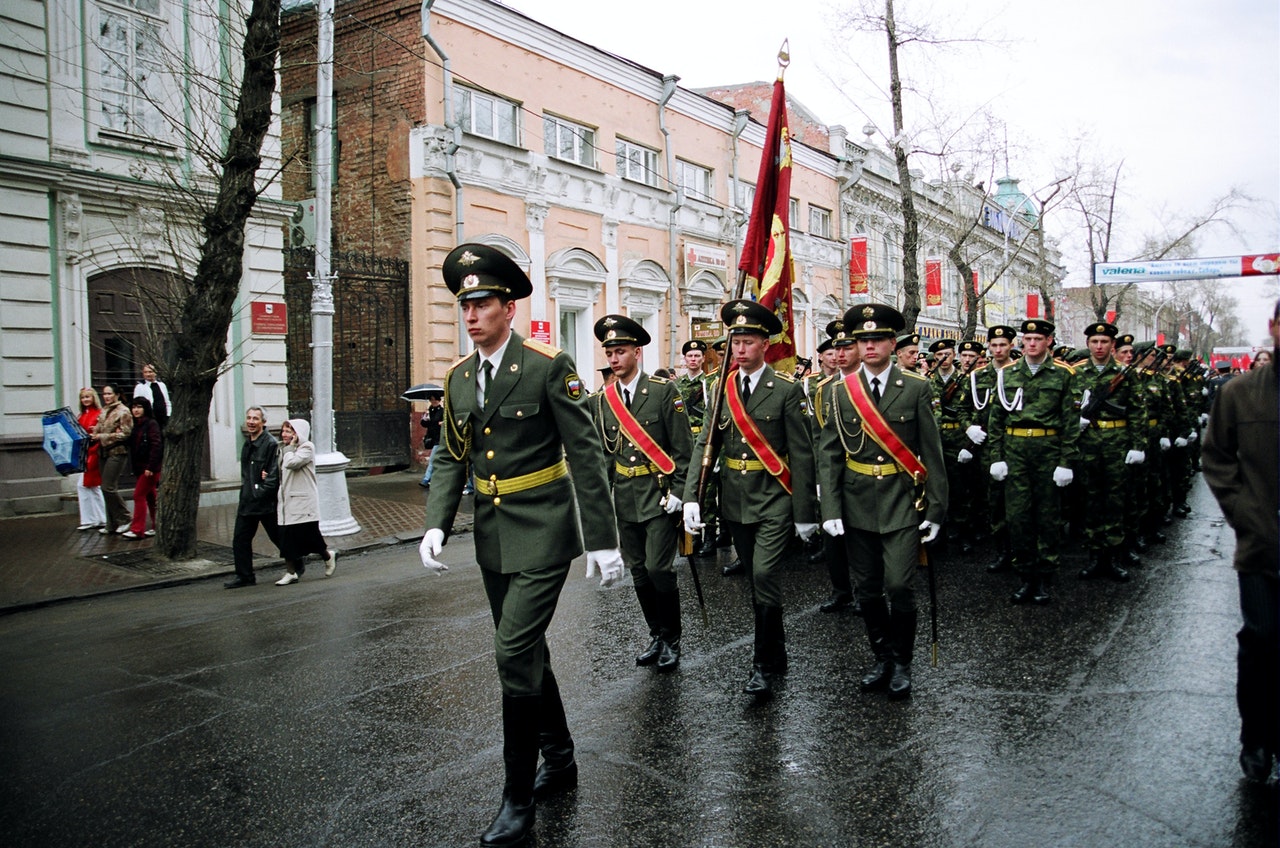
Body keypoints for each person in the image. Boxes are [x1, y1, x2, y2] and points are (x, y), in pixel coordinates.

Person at [418, 243, 622, 847]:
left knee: (511, 652)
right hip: (491, 534)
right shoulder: (458, 377)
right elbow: (451, 454)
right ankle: (559, 759)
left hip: (544, 527)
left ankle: (515, 799)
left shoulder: (547, 365)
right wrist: (436, 521)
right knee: (528, 650)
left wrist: (603, 541)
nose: (471, 315)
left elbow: (586, 453)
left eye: (482, 303)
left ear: (508, 307)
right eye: (465, 305)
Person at [682, 299, 818, 698]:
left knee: (762, 574)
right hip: (735, 501)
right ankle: (776, 650)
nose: (739, 350)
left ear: (764, 345)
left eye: (748, 341)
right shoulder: (719, 388)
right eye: (734, 342)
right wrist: (693, 496)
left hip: (775, 498)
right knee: (758, 584)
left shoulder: (786, 391)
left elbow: (803, 452)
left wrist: (805, 511)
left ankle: (761, 664)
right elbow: (705, 445)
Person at [818, 303, 947, 700]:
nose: (869, 346)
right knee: (869, 589)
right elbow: (830, 454)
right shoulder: (839, 392)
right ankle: (882, 657)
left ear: (893, 343)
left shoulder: (916, 387)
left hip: (902, 500)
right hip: (857, 502)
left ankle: (903, 661)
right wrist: (831, 510)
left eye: (877, 339)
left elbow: (932, 451)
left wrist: (937, 510)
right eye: (863, 340)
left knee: (899, 585)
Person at [1201, 298, 1279, 785]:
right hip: (1264, 546)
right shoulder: (1241, 394)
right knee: (1262, 643)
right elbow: (1218, 459)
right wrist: (1248, 516)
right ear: (1273, 326)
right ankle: (1257, 737)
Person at [592, 314, 693, 671]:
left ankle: (673, 638)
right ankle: (656, 635)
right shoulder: (602, 401)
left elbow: (684, 449)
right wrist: (600, 505)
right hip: (624, 497)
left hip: (659, 495)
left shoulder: (664, 393)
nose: (614, 359)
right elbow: (603, 455)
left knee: (659, 568)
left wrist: (683, 492)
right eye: (610, 353)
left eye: (620, 351)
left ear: (637, 352)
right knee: (638, 570)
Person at [986, 320, 1080, 605]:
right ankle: (1025, 574)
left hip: (1048, 449)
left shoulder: (1064, 375)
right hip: (1016, 451)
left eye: (1038, 338)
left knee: (1048, 516)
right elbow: (996, 420)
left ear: (1049, 341)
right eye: (1027, 338)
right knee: (1018, 516)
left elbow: (1070, 422)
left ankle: (1044, 575)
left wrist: (1066, 461)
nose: (1032, 344)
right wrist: (996, 457)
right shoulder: (1007, 374)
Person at [1073, 322, 1145, 581]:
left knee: (1115, 500)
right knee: (1091, 499)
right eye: (1094, 342)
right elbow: (1067, 408)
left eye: (1104, 342)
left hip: (1117, 442)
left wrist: (1137, 446)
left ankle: (1113, 557)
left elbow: (1137, 412)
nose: (1099, 346)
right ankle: (1095, 557)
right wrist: (1076, 421)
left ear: (1112, 345)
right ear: (1088, 344)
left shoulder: (1127, 374)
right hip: (1088, 442)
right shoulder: (1076, 373)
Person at [971, 325, 1016, 574]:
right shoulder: (978, 376)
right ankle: (1002, 552)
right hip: (987, 448)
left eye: (1003, 345)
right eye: (994, 345)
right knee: (995, 502)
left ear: (1011, 346)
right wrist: (969, 428)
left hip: (1016, 447)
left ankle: (1022, 551)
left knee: (1019, 503)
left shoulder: (1018, 374)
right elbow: (968, 407)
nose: (998, 349)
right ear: (988, 346)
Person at [274, 418, 335, 585]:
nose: (285, 434)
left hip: (303, 502)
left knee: (310, 536)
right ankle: (291, 572)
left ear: (298, 433)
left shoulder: (307, 447)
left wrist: (290, 448)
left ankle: (328, 556)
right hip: (287, 502)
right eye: (284, 430)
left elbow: (292, 463)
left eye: (289, 431)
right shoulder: (285, 449)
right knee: (286, 539)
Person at [226, 406, 281, 589]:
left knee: (278, 537)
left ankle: (296, 563)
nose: (251, 421)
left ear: (263, 422)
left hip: (264, 502)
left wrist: (261, 492)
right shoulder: (248, 443)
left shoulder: (271, 444)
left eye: (255, 418)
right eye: (248, 418)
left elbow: (273, 476)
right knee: (240, 539)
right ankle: (245, 576)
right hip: (248, 500)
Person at [91, 385, 132, 535]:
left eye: (109, 394)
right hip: (103, 452)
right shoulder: (104, 410)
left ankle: (125, 518)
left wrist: (103, 436)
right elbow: (100, 427)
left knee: (108, 487)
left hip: (117, 452)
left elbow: (125, 434)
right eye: (104, 394)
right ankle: (112, 523)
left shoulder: (124, 411)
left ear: (117, 395)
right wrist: (94, 431)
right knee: (106, 487)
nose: (106, 397)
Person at [121, 397, 162, 540]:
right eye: (133, 407)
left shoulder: (151, 424)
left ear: (145, 408)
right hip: (140, 467)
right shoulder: (136, 425)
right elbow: (132, 443)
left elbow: (156, 446)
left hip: (149, 468)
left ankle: (137, 529)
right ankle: (158, 525)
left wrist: (151, 466)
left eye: (139, 407)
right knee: (150, 497)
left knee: (138, 495)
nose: (136, 410)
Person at [75, 387, 106, 531]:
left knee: (91, 485)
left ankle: (97, 518)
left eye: (88, 397)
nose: (86, 399)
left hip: (94, 452)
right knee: (89, 486)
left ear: (93, 397)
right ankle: (95, 518)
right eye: (83, 397)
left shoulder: (99, 414)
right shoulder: (81, 415)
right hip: (86, 453)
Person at [132, 363, 171, 431]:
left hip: (163, 418)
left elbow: (167, 402)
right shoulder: (140, 387)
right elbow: (136, 404)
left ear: (155, 373)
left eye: (150, 372)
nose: (148, 374)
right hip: (149, 419)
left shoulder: (162, 385)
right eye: (145, 372)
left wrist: (168, 415)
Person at [418, 395, 444, 488]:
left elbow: (441, 423)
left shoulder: (442, 411)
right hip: (431, 438)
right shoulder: (429, 411)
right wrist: (424, 418)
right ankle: (434, 479)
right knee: (437, 461)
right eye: (431, 400)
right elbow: (424, 424)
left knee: (432, 459)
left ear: (439, 400)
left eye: (435, 400)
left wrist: (440, 423)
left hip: (439, 438)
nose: (433, 402)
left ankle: (426, 479)